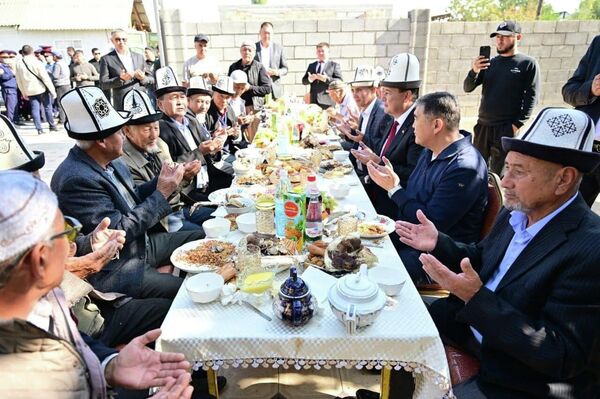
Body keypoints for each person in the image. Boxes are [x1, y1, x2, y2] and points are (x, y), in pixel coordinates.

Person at [391, 107, 600, 398]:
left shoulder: (590, 248)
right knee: (394, 321)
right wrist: (439, 241)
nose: (505, 181)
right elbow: (481, 258)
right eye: (507, 168)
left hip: (517, 376)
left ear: (563, 180)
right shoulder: (518, 211)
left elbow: (559, 354)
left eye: (519, 171)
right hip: (469, 322)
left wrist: (476, 299)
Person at [0, 170, 194, 399]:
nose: (72, 247)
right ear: (40, 259)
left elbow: (72, 339)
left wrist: (110, 364)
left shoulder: (40, 296)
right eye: (68, 233)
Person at [50, 86, 204, 299]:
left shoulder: (111, 161)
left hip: (142, 245)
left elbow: (132, 196)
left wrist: (162, 182)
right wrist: (162, 192)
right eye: (120, 131)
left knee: (202, 237)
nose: (124, 136)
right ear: (102, 141)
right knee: (185, 294)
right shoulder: (76, 179)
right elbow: (118, 232)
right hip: (121, 266)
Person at [366, 92, 488, 284]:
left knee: (375, 272)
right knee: (359, 247)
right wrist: (392, 179)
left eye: (416, 119)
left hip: (436, 255)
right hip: (409, 234)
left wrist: (394, 190)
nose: (412, 126)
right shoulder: (429, 150)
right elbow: (415, 195)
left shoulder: (465, 168)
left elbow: (430, 225)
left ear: (437, 125)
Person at [121, 88, 213, 230]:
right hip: (161, 221)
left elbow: (173, 177)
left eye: (156, 128)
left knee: (221, 217)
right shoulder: (122, 161)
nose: (153, 135)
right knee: (207, 234)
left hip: (180, 208)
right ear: (127, 131)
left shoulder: (159, 144)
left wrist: (184, 175)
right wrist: (180, 178)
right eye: (147, 130)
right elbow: (145, 202)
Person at [351, 53, 424, 219]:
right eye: (382, 92)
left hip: (394, 210)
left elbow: (414, 174)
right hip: (376, 195)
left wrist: (377, 161)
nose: (382, 97)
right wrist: (370, 154)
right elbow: (382, 152)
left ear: (407, 95)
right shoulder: (394, 119)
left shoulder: (417, 126)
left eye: (388, 92)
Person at [464, 20, 540, 175]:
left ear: (518, 38)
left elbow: (532, 97)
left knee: (498, 175)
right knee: (475, 171)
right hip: (483, 126)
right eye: (497, 36)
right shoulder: (490, 63)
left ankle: (497, 200)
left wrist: (517, 125)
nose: (500, 40)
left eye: (505, 36)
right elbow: (468, 87)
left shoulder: (527, 64)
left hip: (505, 128)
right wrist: (474, 70)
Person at [156, 67, 233, 202]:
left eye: (182, 97)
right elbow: (169, 166)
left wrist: (215, 145)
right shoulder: (160, 129)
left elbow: (208, 150)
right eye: (174, 98)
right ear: (160, 104)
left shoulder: (191, 120)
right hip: (188, 191)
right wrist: (200, 151)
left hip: (209, 180)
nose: (180, 102)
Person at [562, 34, 600, 207]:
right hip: (586, 150)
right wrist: (590, 89)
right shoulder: (598, 43)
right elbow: (569, 91)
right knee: (569, 213)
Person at [342, 65, 390, 157]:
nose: (355, 94)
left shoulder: (383, 113)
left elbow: (383, 151)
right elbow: (358, 141)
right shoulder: (365, 109)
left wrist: (363, 138)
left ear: (373, 90)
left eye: (359, 90)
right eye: (353, 90)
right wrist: (350, 131)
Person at [100, 29, 154, 107]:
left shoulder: (139, 57)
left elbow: (151, 79)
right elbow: (103, 84)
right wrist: (121, 79)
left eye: (124, 39)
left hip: (142, 100)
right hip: (122, 102)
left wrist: (143, 78)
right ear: (112, 41)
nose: (121, 42)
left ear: (127, 40)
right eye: (117, 39)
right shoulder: (106, 59)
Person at [14, 44, 57, 134]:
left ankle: (39, 129)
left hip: (29, 90)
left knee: (35, 109)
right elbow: (45, 77)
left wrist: (23, 92)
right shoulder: (37, 62)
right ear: (32, 52)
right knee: (48, 107)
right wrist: (52, 91)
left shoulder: (18, 63)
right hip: (41, 89)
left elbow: (18, 80)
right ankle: (52, 126)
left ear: (23, 53)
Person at [228, 41, 272, 116]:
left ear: (254, 53)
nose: (247, 52)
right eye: (244, 50)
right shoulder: (233, 67)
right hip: (236, 106)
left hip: (254, 107)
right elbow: (228, 86)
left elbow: (267, 88)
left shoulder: (259, 67)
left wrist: (250, 88)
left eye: (249, 50)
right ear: (241, 52)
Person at [302, 42, 343, 110]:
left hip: (328, 101)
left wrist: (326, 79)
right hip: (313, 102)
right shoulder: (312, 65)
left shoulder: (334, 65)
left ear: (328, 52)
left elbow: (340, 81)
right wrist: (310, 79)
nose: (320, 53)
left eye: (323, 51)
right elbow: (304, 81)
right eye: (319, 51)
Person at [254, 21, 288, 99]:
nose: (266, 35)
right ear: (260, 33)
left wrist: (277, 72)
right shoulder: (254, 48)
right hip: (258, 89)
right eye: (264, 33)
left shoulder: (279, 48)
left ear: (272, 34)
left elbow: (285, 69)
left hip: (275, 90)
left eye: (269, 33)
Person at [49, 51, 71, 124]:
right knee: (66, 102)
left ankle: (62, 120)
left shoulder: (57, 64)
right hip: (67, 84)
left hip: (60, 85)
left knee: (60, 103)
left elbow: (55, 76)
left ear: (55, 56)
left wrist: (48, 72)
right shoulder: (64, 63)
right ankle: (68, 118)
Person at [0, 50, 19, 124]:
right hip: (8, 89)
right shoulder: (1, 67)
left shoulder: (8, 66)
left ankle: (15, 120)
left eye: (8, 57)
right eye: (4, 57)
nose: (6, 59)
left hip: (13, 88)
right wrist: (12, 73)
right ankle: (11, 122)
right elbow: (4, 77)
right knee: (10, 107)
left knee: (14, 106)